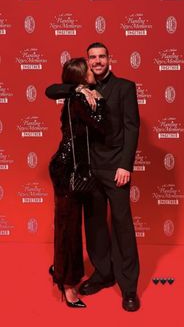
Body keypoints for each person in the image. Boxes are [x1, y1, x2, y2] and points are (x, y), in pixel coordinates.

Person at [46, 43, 140, 312]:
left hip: (116, 169)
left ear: (110, 59)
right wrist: (78, 89)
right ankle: (103, 272)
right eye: (93, 58)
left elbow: (132, 129)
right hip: (88, 169)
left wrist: (126, 165)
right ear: (88, 63)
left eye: (102, 57)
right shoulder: (80, 87)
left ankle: (129, 286)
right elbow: (53, 89)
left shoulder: (125, 87)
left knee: (122, 224)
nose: (97, 62)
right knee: (95, 225)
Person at [45, 57, 105, 308]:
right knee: (68, 229)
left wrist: (86, 91)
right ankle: (68, 285)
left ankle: (61, 268)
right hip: (68, 170)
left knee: (66, 224)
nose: (93, 69)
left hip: (71, 169)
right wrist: (95, 100)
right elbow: (102, 127)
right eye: (89, 68)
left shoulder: (82, 95)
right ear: (81, 75)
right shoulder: (81, 99)